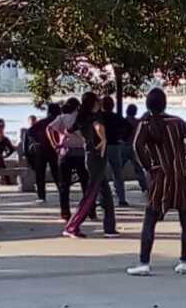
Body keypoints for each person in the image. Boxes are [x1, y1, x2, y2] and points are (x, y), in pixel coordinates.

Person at [126, 88, 186, 275]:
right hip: (181, 175)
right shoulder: (175, 122)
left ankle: (144, 262)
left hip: (160, 175)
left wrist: (149, 167)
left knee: (150, 220)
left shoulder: (146, 124)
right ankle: (183, 261)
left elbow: (137, 146)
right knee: (185, 219)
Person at [62, 92, 120, 239]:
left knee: (106, 194)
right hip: (97, 157)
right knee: (91, 194)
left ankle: (109, 228)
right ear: (94, 102)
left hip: (90, 156)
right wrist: (103, 139)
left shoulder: (82, 117)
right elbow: (98, 126)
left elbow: (69, 129)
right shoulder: (95, 117)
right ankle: (72, 226)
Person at [48, 97, 89, 221]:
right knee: (85, 183)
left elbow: (49, 128)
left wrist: (54, 143)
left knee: (64, 185)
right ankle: (89, 211)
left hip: (65, 152)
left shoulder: (62, 118)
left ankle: (65, 213)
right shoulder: (82, 118)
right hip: (81, 152)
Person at [27, 103, 62, 203]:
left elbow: (29, 132)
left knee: (40, 173)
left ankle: (41, 195)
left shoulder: (42, 122)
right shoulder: (59, 121)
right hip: (55, 149)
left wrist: (35, 142)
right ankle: (62, 191)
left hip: (42, 149)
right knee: (56, 172)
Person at [101, 96, 131, 207]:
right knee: (118, 173)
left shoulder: (99, 117)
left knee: (101, 174)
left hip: (102, 146)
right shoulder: (116, 117)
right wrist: (123, 139)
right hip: (115, 145)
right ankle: (121, 198)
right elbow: (129, 126)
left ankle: (101, 198)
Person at [117, 103, 149, 195]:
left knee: (118, 170)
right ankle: (144, 187)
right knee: (138, 168)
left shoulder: (122, 122)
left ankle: (118, 189)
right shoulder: (137, 122)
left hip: (123, 146)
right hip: (133, 147)